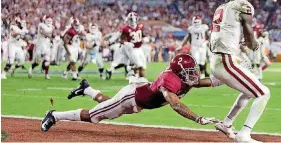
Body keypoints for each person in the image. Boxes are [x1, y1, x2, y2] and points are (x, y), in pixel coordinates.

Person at [40, 54, 219, 132]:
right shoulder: (168, 82)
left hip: (140, 96)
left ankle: (87, 89)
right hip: (131, 97)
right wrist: (198, 119)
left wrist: (232, 77)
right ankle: (54, 115)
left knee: (108, 105)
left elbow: (207, 82)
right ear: (179, 73)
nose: (195, 75)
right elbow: (176, 105)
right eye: (190, 71)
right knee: (94, 115)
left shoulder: (183, 77)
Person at [209, 0, 271, 142]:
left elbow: (225, 33)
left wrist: (239, 41)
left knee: (249, 91)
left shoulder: (221, 7)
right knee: (264, 93)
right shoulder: (243, 5)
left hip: (218, 59)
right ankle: (244, 134)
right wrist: (255, 45)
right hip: (226, 61)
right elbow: (251, 39)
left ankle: (227, 123)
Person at [28, 15, 54, 80]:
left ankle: (46, 74)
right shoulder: (41, 25)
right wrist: (49, 35)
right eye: (48, 20)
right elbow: (44, 33)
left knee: (47, 60)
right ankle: (31, 67)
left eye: (50, 20)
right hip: (40, 45)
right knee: (37, 62)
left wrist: (50, 37)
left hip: (47, 45)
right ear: (44, 20)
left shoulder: (51, 27)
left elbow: (50, 34)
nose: (49, 22)